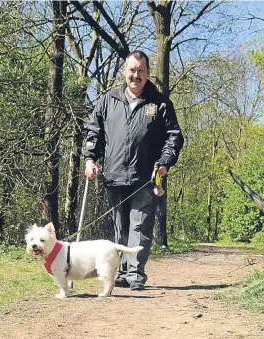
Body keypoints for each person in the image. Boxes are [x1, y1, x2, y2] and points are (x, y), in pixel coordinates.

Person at [83, 50, 184, 291]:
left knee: (140, 225)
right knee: (120, 227)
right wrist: (90, 159)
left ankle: (135, 275)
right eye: (132, 70)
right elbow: (93, 131)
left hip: (146, 176)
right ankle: (121, 272)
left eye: (141, 71)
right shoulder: (108, 100)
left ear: (148, 73)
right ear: (124, 72)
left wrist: (165, 163)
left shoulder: (160, 103)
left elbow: (174, 136)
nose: (135, 75)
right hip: (114, 174)